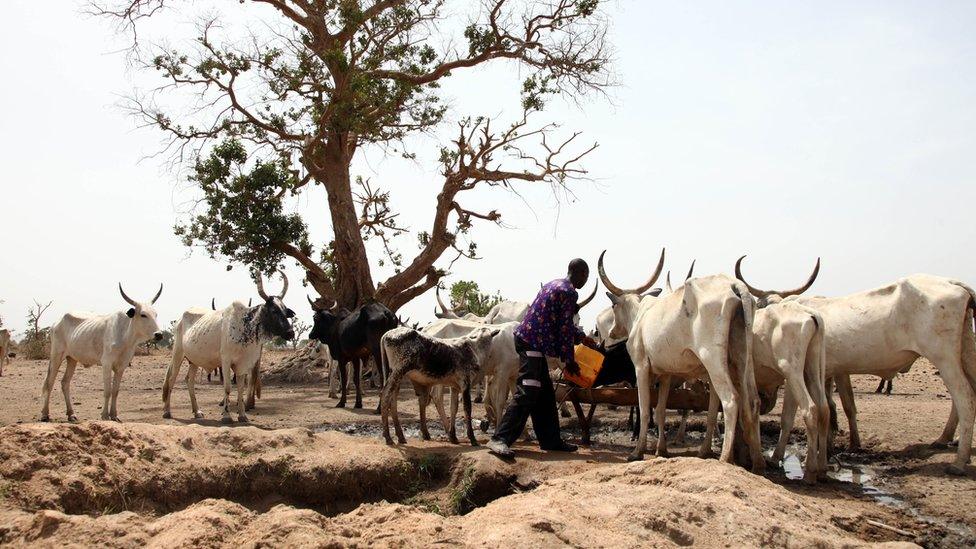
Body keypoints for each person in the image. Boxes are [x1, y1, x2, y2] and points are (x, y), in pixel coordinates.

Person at [487, 258, 596, 458]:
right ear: (580, 273)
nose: (586, 280)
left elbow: (559, 322)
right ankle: (499, 438)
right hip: (532, 343)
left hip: (529, 340)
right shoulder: (569, 292)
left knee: (545, 394)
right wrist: (570, 361)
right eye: (586, 276)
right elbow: (563, 329)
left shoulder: (553, 284)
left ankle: (550, 440)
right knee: (527, 390)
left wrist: (581, 338)